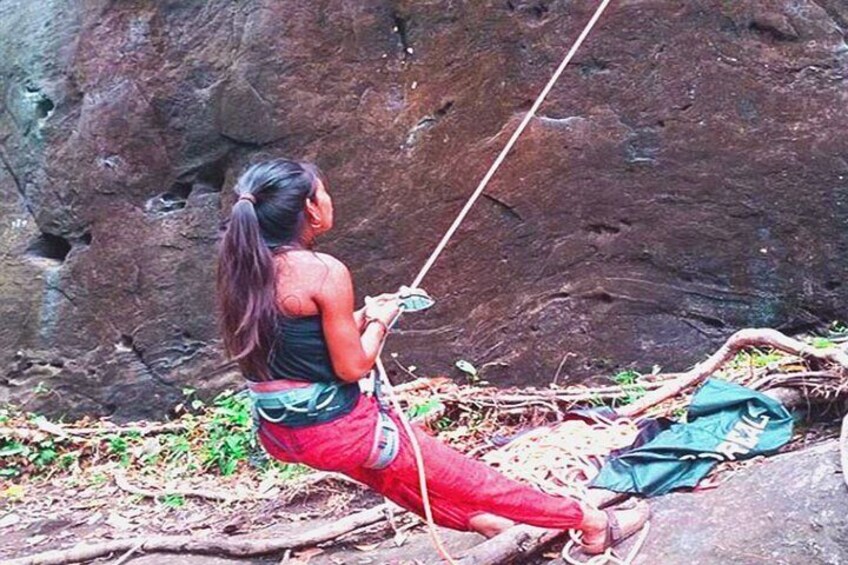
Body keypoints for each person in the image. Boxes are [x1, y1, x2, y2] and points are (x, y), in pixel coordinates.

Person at [215, 158, 649, 553]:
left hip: (283, 435)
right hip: (340, 429)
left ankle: (489, 527)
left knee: (403, 484)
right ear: (311, 209)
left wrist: (364, 314)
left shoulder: (241, 266)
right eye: (324, 192)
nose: (329, 199)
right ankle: (593, 523)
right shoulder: (323, 270)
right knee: (472, 479)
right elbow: (352, 366)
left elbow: (297, 335)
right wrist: (382, 322)